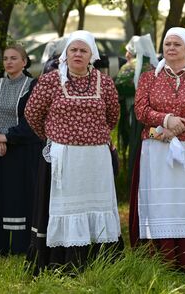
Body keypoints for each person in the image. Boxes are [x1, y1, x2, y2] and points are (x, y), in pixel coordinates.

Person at [25, 30, 122, 274]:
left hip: (96, 158)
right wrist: (53, 137)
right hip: (65, 157)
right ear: (65, 54)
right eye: (73, 50)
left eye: (83, 50)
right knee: (68, 207)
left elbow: (113, 116)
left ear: (92, 55)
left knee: (96, 205)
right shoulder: (50, 81)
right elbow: (32, 113)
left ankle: (100, 260)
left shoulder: (105, 82)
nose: (78, 54)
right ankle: (64, 259)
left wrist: (92, 135)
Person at [129, 27, 185, 270]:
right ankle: (160, 257)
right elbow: (141, 111)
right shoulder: (148, 78)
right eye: (167, 44)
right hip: (156, 146)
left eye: (177, 44)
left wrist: (177, 127)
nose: (171, 48)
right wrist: (166, 121)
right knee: (161, 198)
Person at [0, 44, 42, 255]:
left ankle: (22, 244)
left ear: (24, 62)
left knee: (22, 195)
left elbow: (32, 120)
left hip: (25, 151)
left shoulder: (34, 87)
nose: (8, 62)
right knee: (0, 194)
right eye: (6, 58)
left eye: (14, 58)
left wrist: (8, 137)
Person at [115, 34, 158, 174]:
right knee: (148, 141)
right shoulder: (155, 66)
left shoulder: (128, 66)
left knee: (134, 142)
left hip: (132, 113)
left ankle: (133, 174)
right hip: (153, 117)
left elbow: (119, 87)